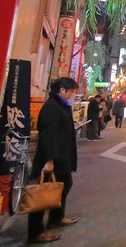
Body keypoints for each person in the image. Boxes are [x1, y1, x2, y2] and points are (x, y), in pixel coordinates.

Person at [28, 77, 80, 243]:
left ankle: (56, 218)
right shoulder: (52, 107)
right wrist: (49, 160)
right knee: (43, 193)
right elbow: (48, 135)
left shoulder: (60, 106)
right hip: (52, 159)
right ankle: (35, 233)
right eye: (71, 90)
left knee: (64, 185)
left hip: (62, 157)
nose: (72, 94)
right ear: (62, 90)